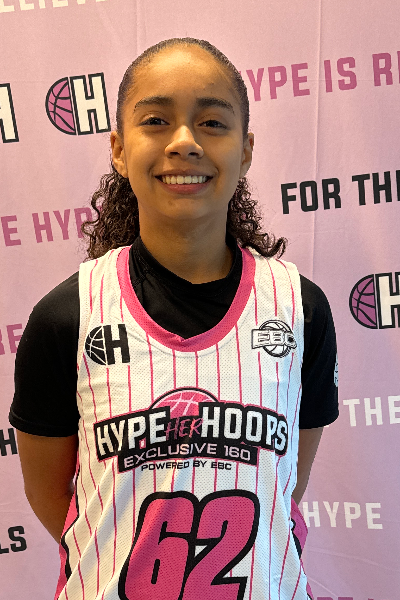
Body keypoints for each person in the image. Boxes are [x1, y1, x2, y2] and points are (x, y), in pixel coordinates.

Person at [9, 37, 338, 600]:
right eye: (156, 120)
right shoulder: (66, 318)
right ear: (119, 149)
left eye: (212, 123)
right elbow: (56, 502)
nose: (184, 142)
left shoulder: (300, 310)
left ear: (246, 149)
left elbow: (286, 484)